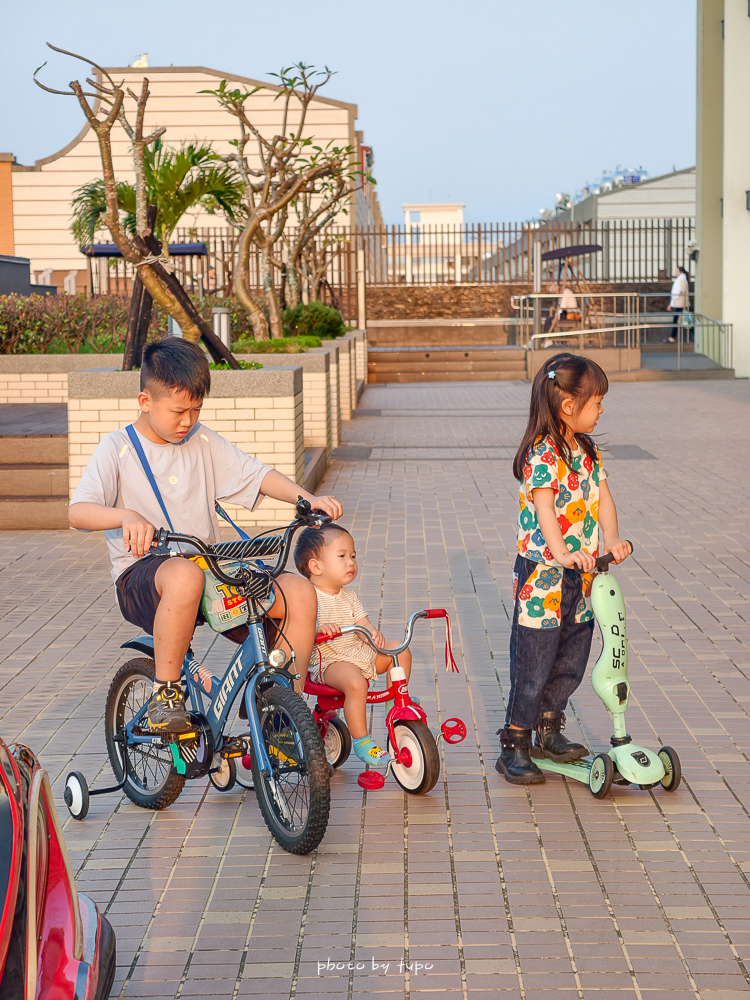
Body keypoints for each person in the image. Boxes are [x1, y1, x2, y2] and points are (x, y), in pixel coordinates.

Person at [68, 338, 342, 734]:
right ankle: (167, 694)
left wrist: (308, 498)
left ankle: (282, 707)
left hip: (208, 567)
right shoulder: (118, 448)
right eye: (179, 411)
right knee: (184, 574)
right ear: (145, 401)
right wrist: (126, 515)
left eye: (196, 410)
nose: (188, 421)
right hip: (145, 577)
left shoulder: (203, 440)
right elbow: (78, 511)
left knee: (298, 592)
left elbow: (256, 475)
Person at [495, 352, 631, 784]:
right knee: (534, 660)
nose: (602, 409)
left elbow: (603, 498)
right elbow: (545, 509)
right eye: (596, 401)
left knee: (572, 656)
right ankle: (515, 742)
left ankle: (549, 728)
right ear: (568, 405)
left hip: (583, 574)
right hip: (542, 575)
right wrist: (560, 551)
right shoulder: (543, 454)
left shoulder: (586, 450)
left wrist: (610, 539)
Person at [294, 524, 412, 767]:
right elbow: (300, 631)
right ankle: (362, 741)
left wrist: (372, 633)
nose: (351, 562)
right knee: (356, 683)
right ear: (316, 566)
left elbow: (363, 624)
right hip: (329, 661)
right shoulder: (308, 596)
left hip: (358, 654)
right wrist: (318, 630)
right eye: (342, 556)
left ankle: (396, 705)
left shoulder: (349, 596)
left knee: (399, 650)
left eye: (353, 556)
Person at [666, 265, 690, 343]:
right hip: (678, 303)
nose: (676, 273)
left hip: (680, 304)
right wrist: (671, 304)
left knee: (678, 321)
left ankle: (672, 337)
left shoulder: (682, 280)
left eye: (677, 271)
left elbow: (683, 293)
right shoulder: (680, 280)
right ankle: (672, 337)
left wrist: (683, 305)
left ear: (681, 271)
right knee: (679, 321)